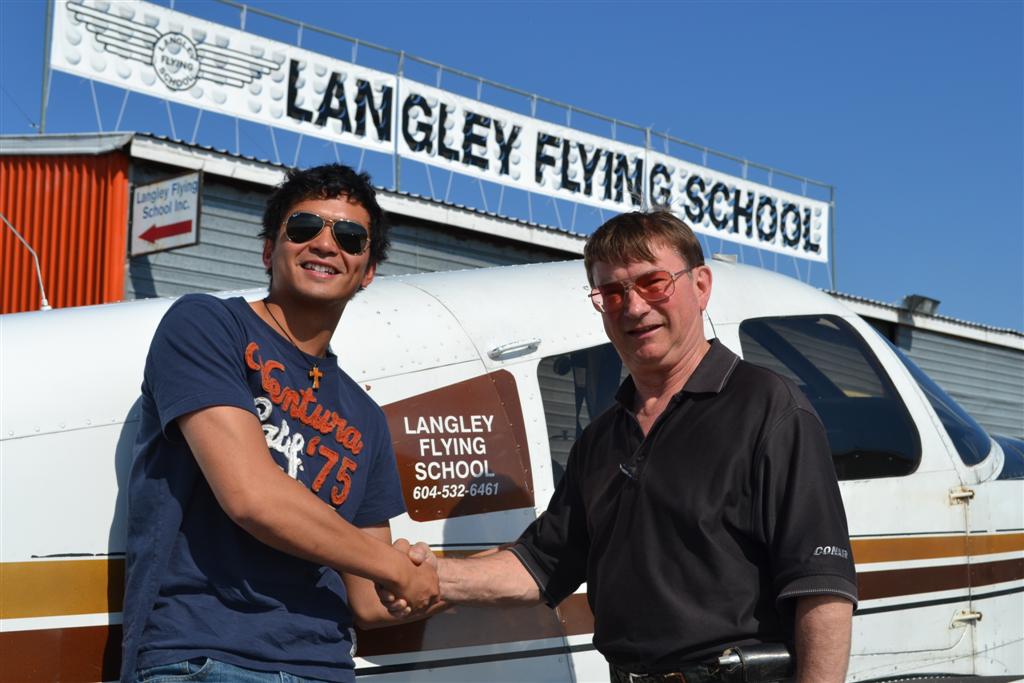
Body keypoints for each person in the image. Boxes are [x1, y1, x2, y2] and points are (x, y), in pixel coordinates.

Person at [388, 211, 857, 683]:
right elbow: (539, 566)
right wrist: (431, 574)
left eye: (654, 283)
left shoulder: (768, 407)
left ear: (701, 286)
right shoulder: (601, 438)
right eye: (612, 293)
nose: (633, 308)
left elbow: (821, 590)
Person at [121, 164, 438, 683]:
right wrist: (397, 570)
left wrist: (432, 580)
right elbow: (253, 497)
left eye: (351, 237)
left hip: (325, 667)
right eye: (304, 228)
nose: (326, 244)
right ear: (271, 250)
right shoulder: (206, 324)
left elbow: (366, 597)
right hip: (206, 656)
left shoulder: (366, 417)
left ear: (368, 271)